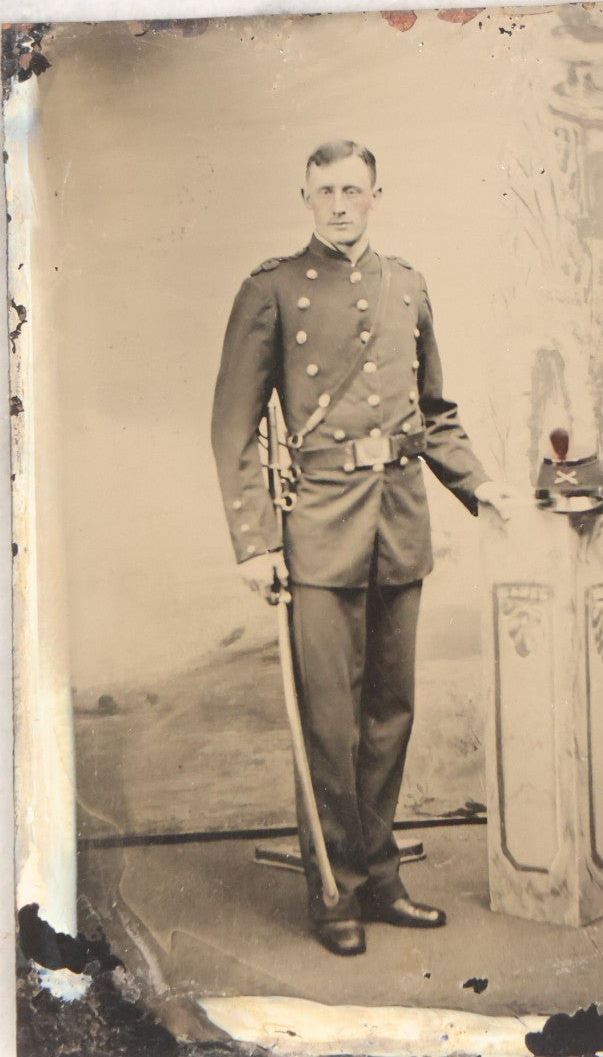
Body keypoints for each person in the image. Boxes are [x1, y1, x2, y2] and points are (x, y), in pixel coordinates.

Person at [211, 140, 512, 956]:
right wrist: (254, 542)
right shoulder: (272, 289)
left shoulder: (406, 284)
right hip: (317, 525)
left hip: (399, 520)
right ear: (305, 198)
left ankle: (381, 877)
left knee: (389, 713)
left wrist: (481, 486)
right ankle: (333, 889)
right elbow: (234, 427)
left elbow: (434, 413)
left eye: (353, 190)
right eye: (325, 192)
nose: (340, 205)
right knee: (330, 719)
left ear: (376, 194)